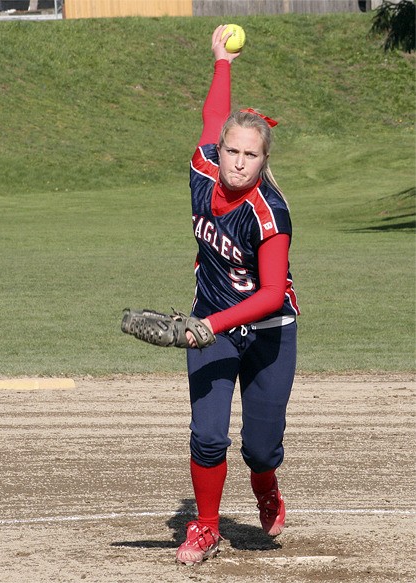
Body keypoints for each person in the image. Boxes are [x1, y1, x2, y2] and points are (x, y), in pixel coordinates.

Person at [175, 25, 300, 566]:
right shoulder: (203, 170)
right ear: (220, 150)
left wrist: (215, 324)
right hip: (212, 325)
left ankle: (265, 482)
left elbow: (273, 295)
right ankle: (204, 528)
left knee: (260, 447)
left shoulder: (269, 213)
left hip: (267, 332)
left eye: (251, 154)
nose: (239, 161)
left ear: (262, 160)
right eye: (232, 149)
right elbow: (212, 117)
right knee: (207, 436)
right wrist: (222, 61)